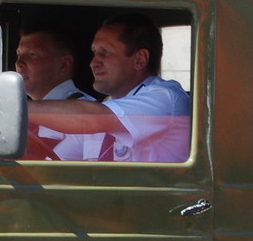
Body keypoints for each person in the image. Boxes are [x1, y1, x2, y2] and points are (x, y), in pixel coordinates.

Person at [28, 13, 191, 163]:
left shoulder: (165, 99)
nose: (93, 63)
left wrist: (15, 109)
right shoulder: (104, 110)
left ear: (139, 60)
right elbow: (59, 166)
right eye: (94, 52)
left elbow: (89, 119)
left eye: (105, 53)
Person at [11, 25, 103, 160]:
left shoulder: (88, 116)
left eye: (32, 55)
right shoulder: (21, 115)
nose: (19, 63)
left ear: (63, 65)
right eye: (19, 55)